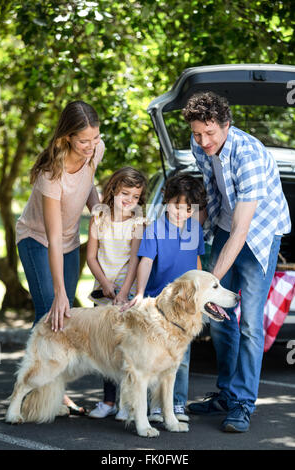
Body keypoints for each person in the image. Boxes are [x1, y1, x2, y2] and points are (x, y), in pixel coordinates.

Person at [183, 91, 291, 432]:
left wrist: (208, 283)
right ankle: (227, 393)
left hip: (259, 234)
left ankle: (243, 403)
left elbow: (243, 230)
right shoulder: (199, 144)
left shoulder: (251, 156)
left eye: (210, 133)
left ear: (226, 124)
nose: (203, 141)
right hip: (225, 228)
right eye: (198, 133)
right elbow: (212, 196)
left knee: (249, 324)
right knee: (218, 319)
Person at [16, 100, 105, 415]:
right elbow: (51, 236)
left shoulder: (95, 149)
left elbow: (90, 182)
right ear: (67, 137)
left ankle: (52, 391)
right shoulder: (50, 174)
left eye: (95, 138)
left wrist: (98, 209)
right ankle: (32, 395)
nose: (91, 146)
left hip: (69, 241)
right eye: (84, 141)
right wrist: (62, 294)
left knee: (62, 318)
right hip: (37, 240)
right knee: (49, 312)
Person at [126, 173, 206, 422]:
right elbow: (146, 261)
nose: (181, 213)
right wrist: (139, 293)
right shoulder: (155, 229)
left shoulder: (196, 229)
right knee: (155, 357)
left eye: (187, 209)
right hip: (159, 305)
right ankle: (157, 406)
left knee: (181, 358)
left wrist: (202, 294)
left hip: (185, 305)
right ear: (166, 201)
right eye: (175, 207)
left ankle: (177, 403)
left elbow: (197, 262)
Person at [86, 166, 147, 420]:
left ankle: (126, 404)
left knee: (126, 350)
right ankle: (108, 401)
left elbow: (134, 261)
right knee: (104, 348)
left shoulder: (138, 221)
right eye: (125, 194)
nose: (129, 201)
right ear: (112, 190)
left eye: (135, 197)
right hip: (102, 291)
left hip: (127, 292)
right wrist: (105, 284)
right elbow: (91, 257)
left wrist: (123, 292)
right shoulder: (98, 216)